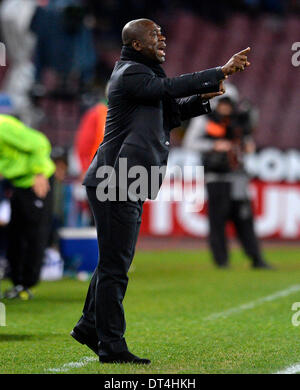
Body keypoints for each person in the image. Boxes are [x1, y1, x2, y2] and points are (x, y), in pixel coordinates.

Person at [71, 18, 251, 364]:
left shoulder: (145, 77)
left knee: (114, 261)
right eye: (155, 35)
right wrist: (220, 70)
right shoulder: (131, 73)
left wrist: (203, 98)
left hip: (126, 177)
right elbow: (167, 91)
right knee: (115, 266)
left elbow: (169, 113)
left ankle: (89, 326)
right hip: (116, 177)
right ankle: (111, 344)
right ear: (136, 44)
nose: (163, 38)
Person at [183, 96, 272, 269]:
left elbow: (247, 145)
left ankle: (256, 257)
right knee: (218, 219)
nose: (226, 108)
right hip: (217, 177)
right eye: (223, 104)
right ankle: (221, 260)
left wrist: (247, 146)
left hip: (237, 177)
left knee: (244, 217)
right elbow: (190, 143)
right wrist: (214, 145)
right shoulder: (205, 120)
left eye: (229, 104)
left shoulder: (238, 123)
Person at [0, 114, 55, 300]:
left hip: (35, 183)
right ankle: (18, 283)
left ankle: (27, 284)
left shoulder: (3, 128)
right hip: (17, 184)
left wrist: (39, 173)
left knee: (34, 234)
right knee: (15, 235)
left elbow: (39, 142)